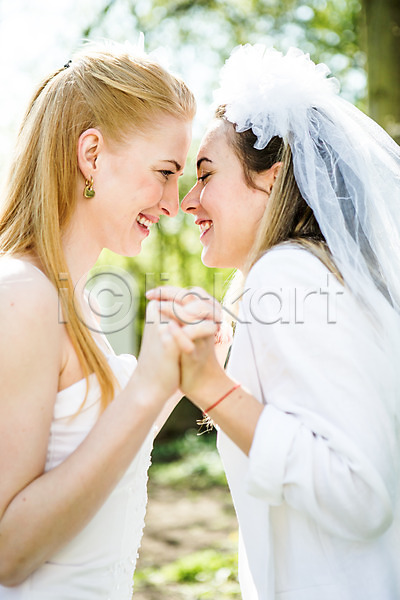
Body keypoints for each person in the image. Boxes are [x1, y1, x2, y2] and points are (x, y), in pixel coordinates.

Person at [148, 45, 400, 599]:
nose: (188, 201)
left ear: (272, 178)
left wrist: (209, 385)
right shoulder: (321, 275)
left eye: (205, 175)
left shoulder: (286, 273)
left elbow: (361, 495)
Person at [0, 40, 217, 600]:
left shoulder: (85, 302)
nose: (174, 204)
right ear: (92, 154)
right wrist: (146, 389)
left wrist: (174, 380)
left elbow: (96, 456)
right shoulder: (22, 297)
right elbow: (8, 553)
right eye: (165, 172)